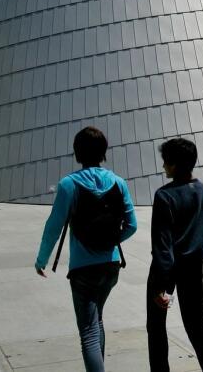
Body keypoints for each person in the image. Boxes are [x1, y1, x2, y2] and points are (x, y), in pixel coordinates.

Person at [35, 127, 138, 372]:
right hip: (111, 266)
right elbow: (132, 225)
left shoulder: (69, 185)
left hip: (83, 270)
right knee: (96, 321)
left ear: (77, 153)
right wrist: (111, 241)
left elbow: (53, 226)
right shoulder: (119, 183)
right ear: (104, 152)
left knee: (89, 332)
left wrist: (42, 259)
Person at [147, 137, 203, 372]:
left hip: (166, 271)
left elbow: (162, 244)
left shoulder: (164, 196)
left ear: (175, 165)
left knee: (157, 326)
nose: (163, 167)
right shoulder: (202, 191)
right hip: (193, 268)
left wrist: (162, 285)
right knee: (196, 324)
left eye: (166, 162)